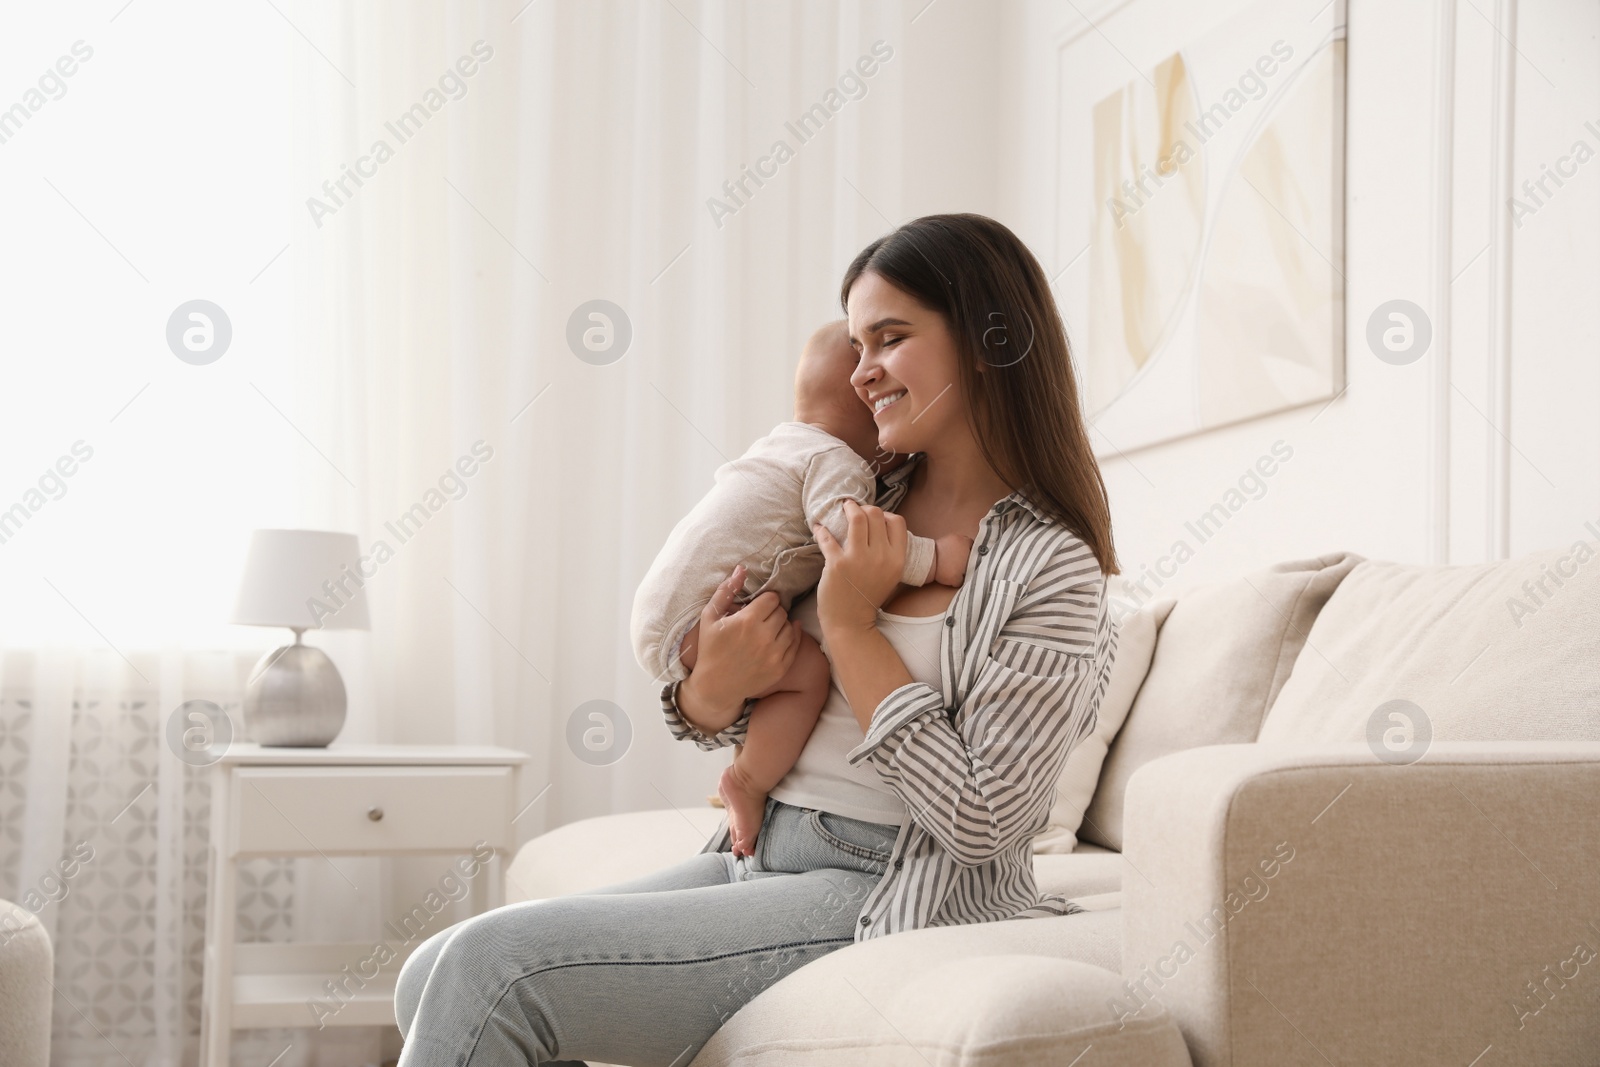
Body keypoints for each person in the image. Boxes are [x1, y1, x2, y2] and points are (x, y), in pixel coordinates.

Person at [394, 213, 1121, 1067]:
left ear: (987, 340)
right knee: (427, 970)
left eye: (891, 338)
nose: (864, 372)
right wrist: (706, 690)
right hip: (762, 850)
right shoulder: (856, 492)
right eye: (857, 344)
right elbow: (742, 699)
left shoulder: (1052, 569)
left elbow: (985, 818)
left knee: (489, 970)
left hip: (884, 883)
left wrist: (852, 627)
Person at [630, 318, 973, 859]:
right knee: (807, 669)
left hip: (664, 612)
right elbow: (846, 533)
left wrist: (709, 689)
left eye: (894, 341)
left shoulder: (781, 447)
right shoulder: (837, 465)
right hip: (696, 620)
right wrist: (933, 560)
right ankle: (745, 780)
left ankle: (746, 779)